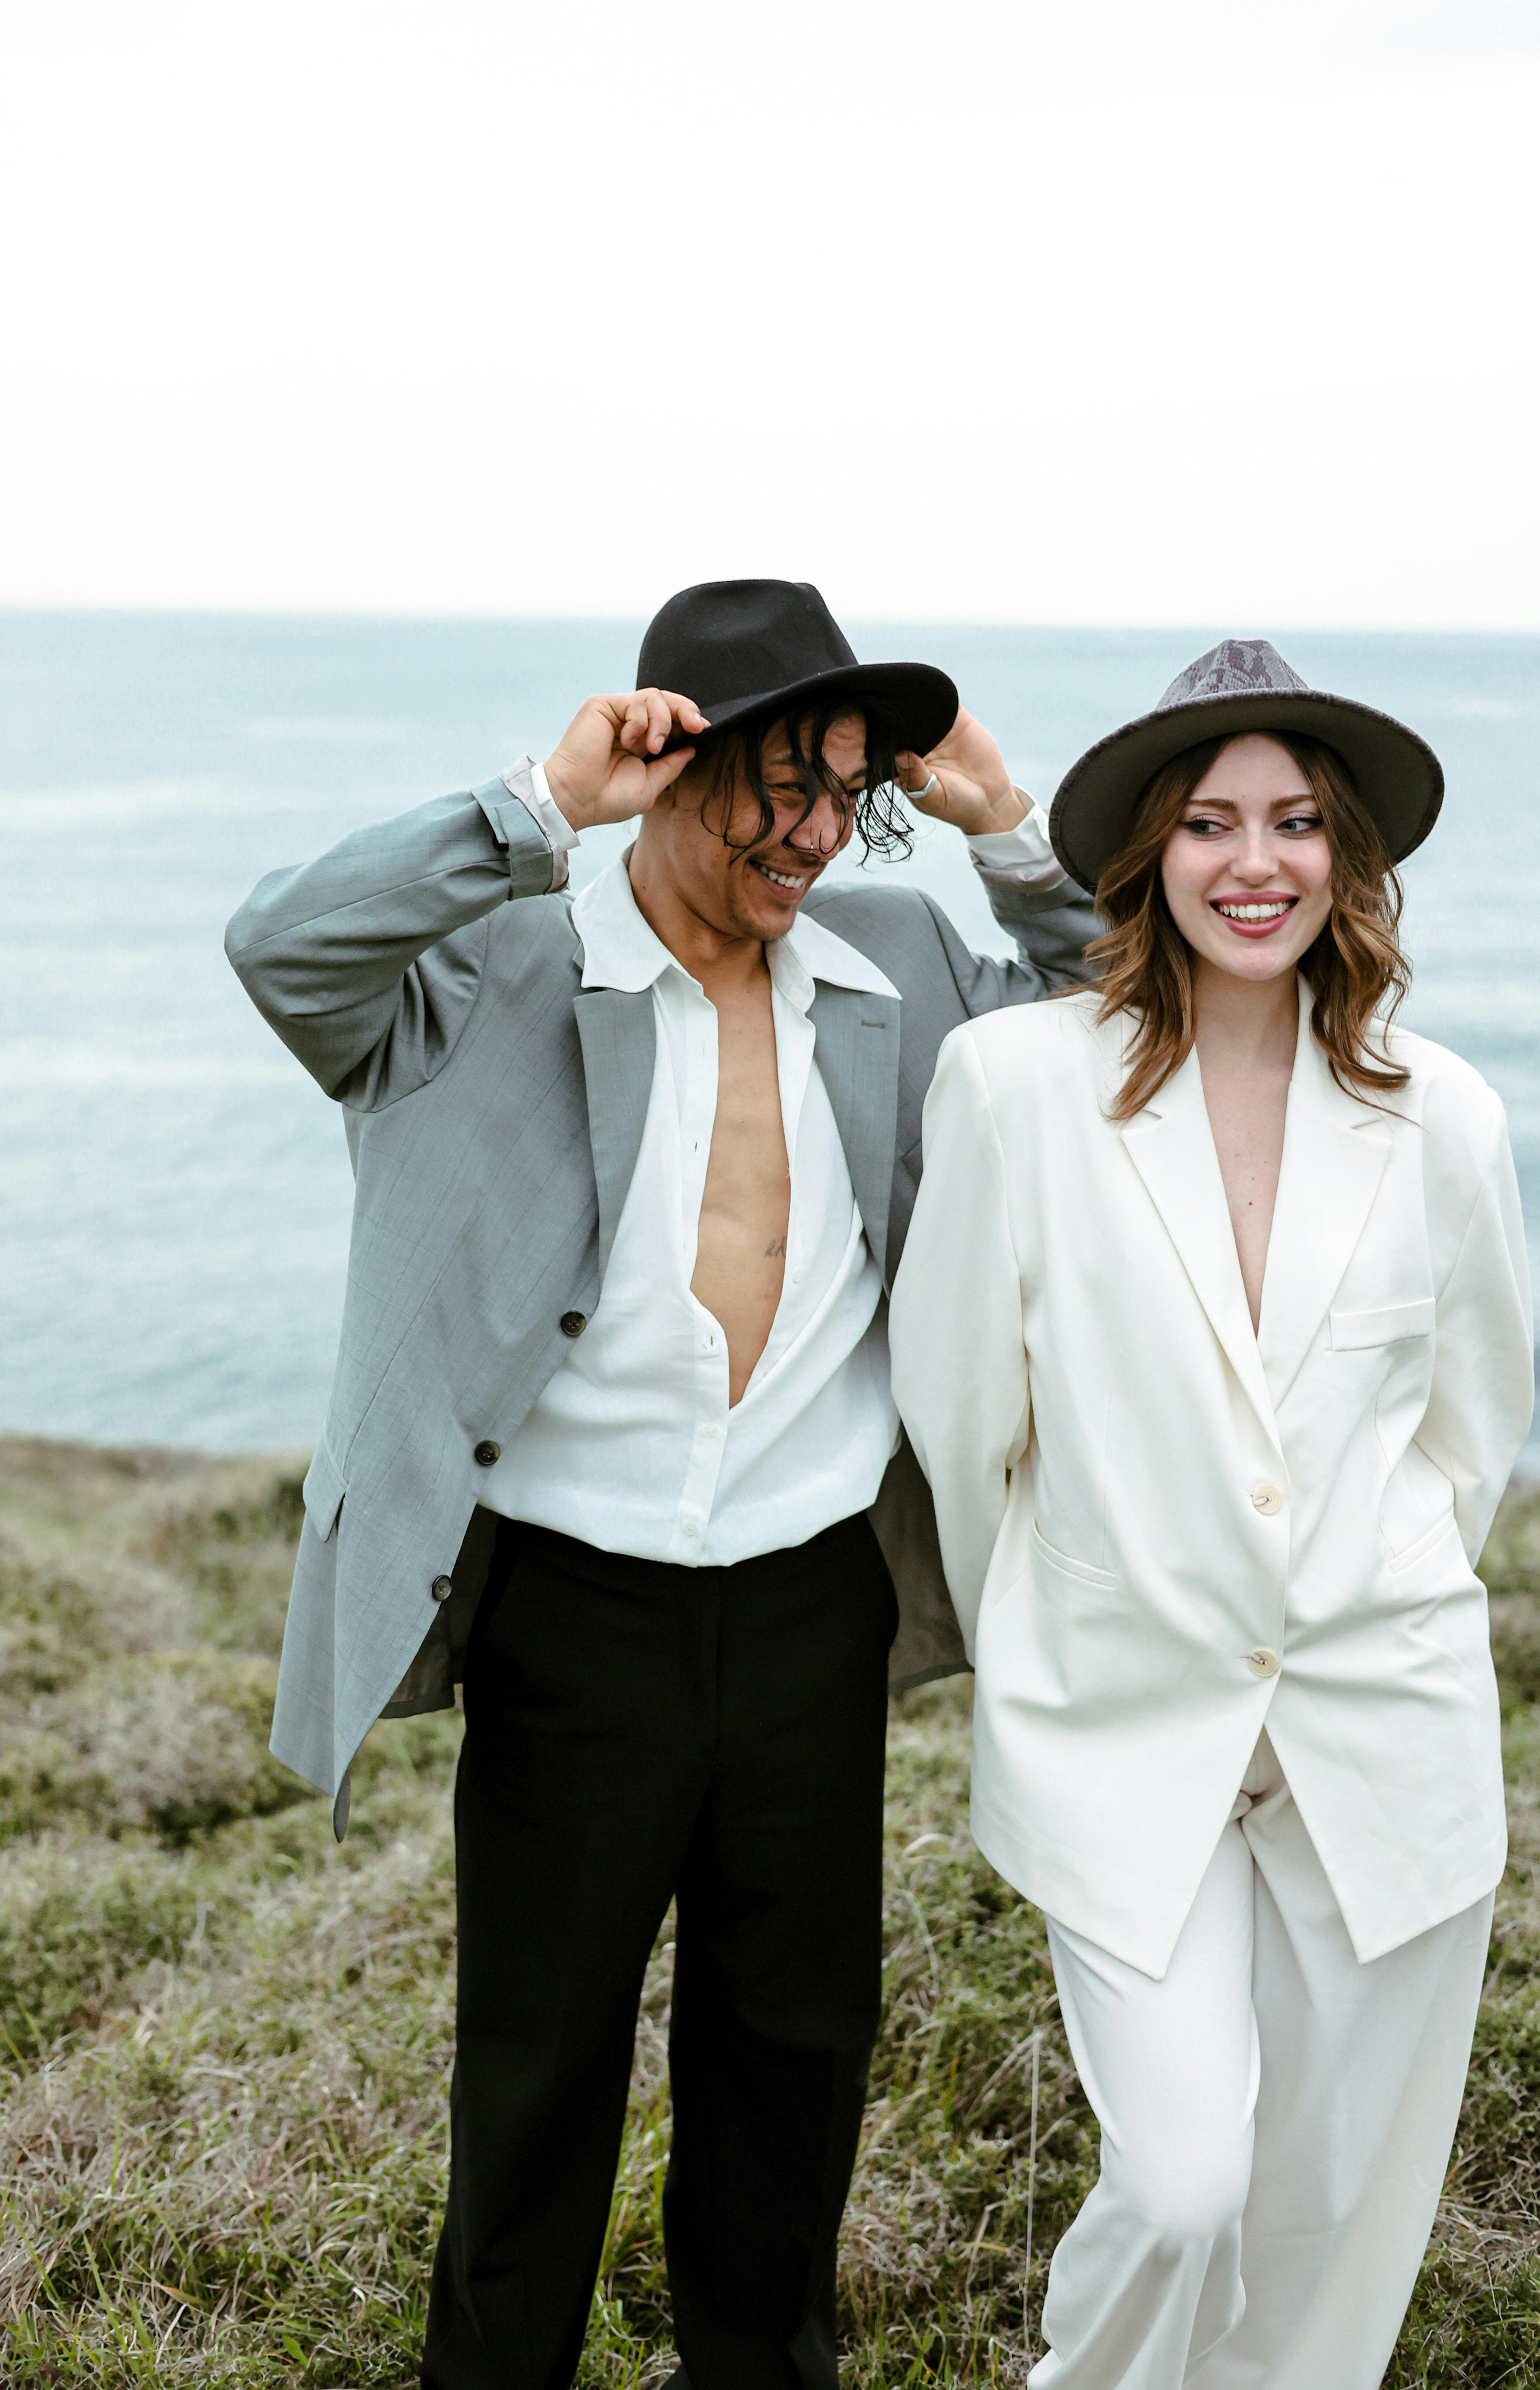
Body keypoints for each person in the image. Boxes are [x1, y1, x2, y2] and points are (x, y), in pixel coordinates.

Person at [224, 578, 1098, 2390]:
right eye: (779, 784)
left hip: (811, 1607)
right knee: (536, 2077)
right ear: (672, 760)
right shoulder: (493, 965)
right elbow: (283, 948)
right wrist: (539, 803)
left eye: (844, 792)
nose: (812, 833)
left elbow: (1124, 1014)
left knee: (794, 2069)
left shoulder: (903, 962)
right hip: (575, 1614)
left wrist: (1007, 826)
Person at [889, 639, 1533, 2390]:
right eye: (1212, 823)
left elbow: (1467, 1435)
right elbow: (966, 1425)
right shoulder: (1015, 1086)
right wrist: (1063, 1627)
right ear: (1150, 855)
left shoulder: (1449, 1116)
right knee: (1183, 2193)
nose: (1258, 863)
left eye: (1298, 822)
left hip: (1384, 1741)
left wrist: (1362, 1597)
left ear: (1348, 857)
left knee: (1332, 2225)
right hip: (1117, 1723)